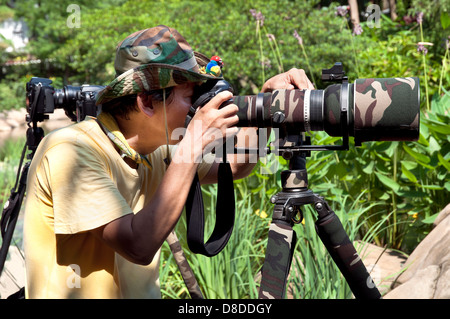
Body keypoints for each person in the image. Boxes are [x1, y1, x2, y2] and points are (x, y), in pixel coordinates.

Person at [23, 25, 314, 298]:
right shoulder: (72, 150)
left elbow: (236, 165)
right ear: (147, 102)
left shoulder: (157, 148)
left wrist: (266, 103)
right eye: (192, 95)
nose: (199, 107)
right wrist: (193, 144)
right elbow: (137, 245)